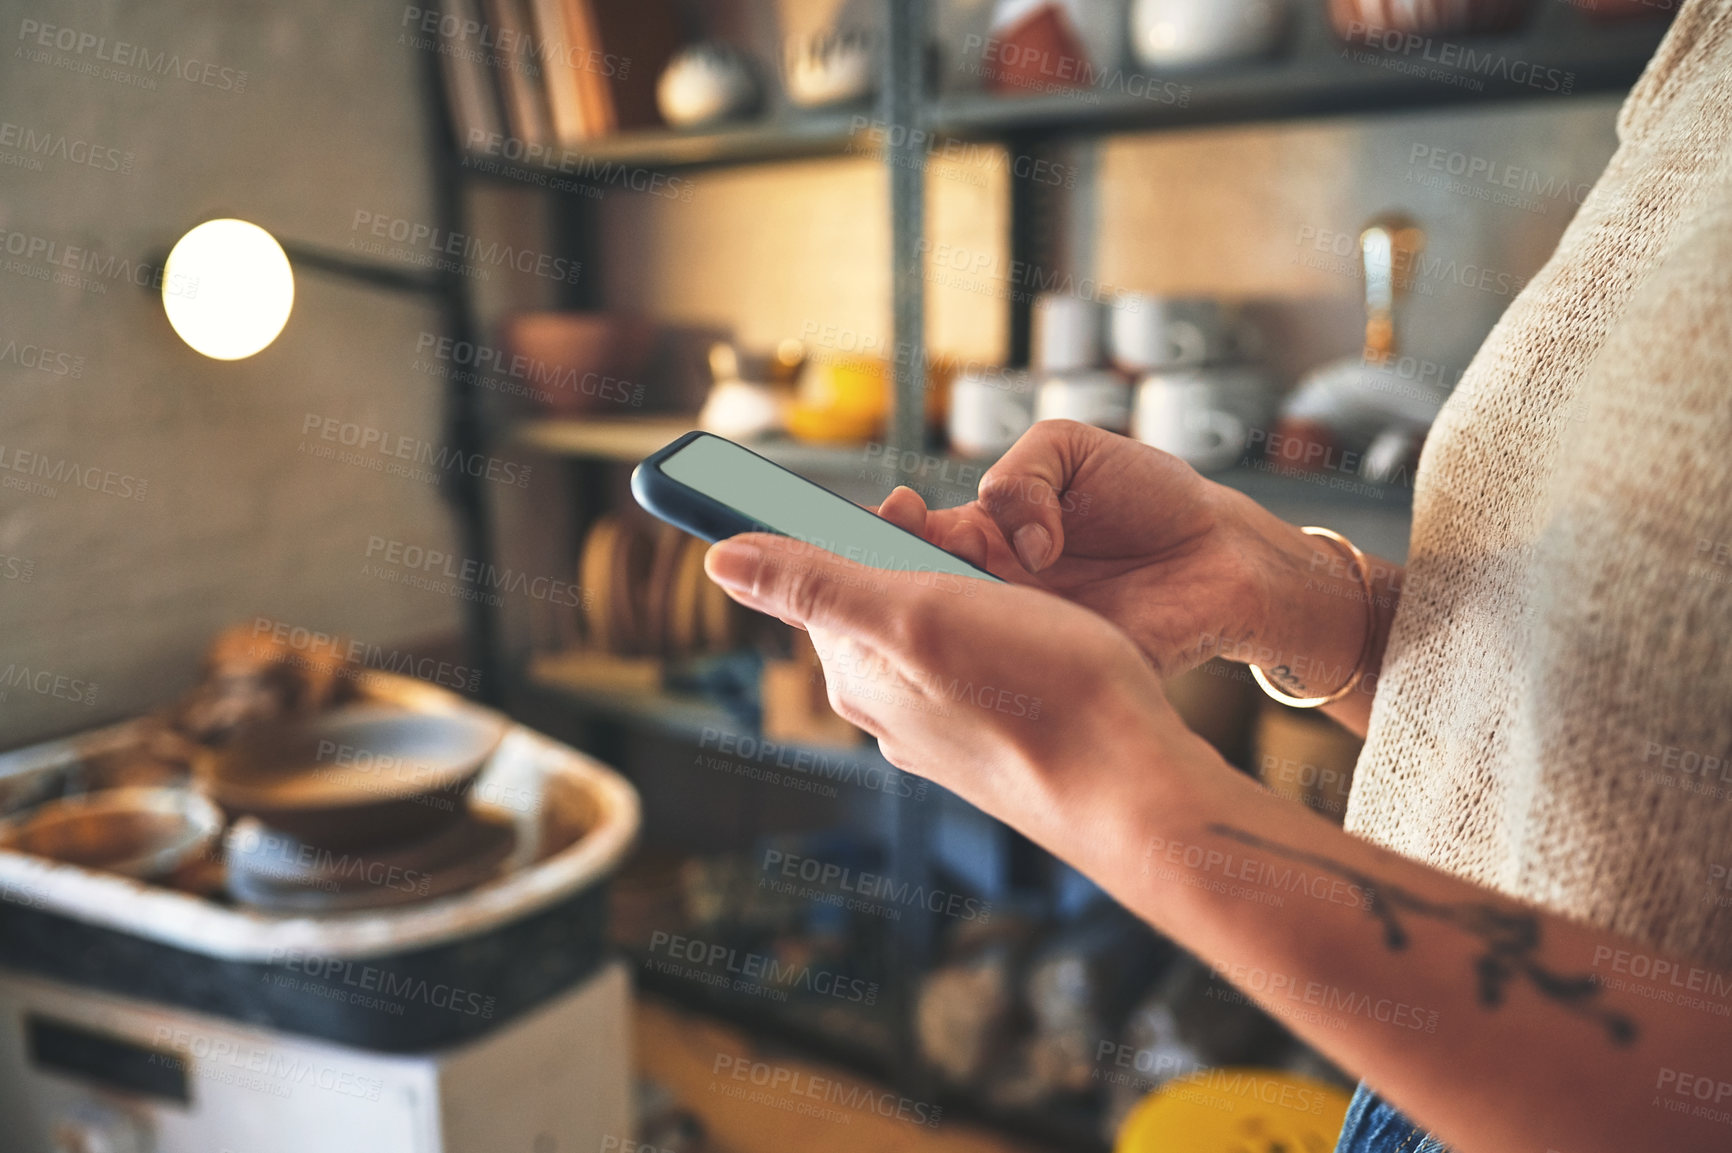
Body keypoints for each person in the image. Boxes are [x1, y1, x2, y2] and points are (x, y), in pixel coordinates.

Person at [702, 4, 1732, 1150]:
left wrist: (1107, 789)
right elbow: (1639, 730)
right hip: (1432, 1085)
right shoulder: (1697, 54)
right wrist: (1291, 592)